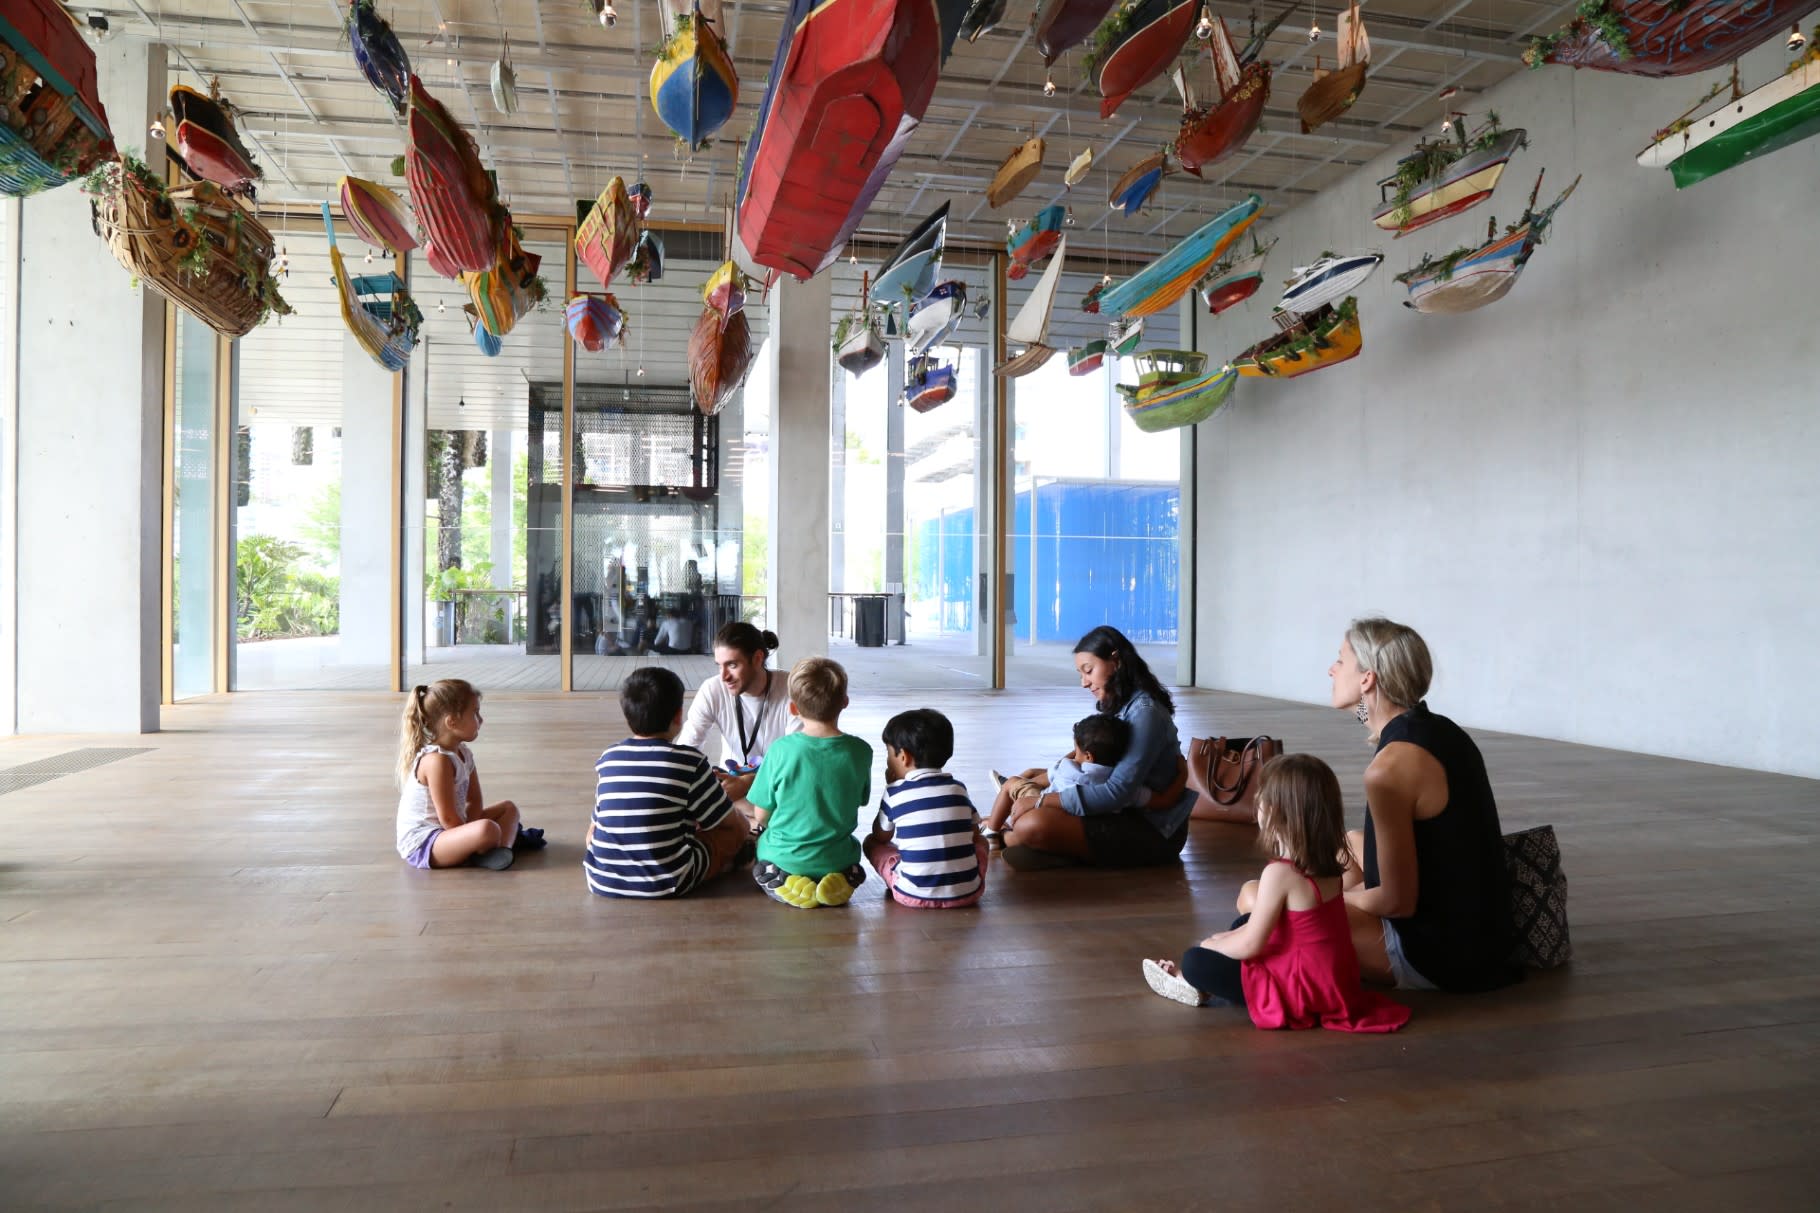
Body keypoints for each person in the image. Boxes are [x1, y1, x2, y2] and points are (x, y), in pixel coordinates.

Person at [1140, 754, 1411, 1033]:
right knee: (1245, 922)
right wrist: (1228, 938)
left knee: (1196, 961)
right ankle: (1206, 978)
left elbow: (1251, 945)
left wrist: (1209, 944)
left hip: (1299, 992)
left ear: (1274, 811)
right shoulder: (1328, 865)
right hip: (1329, 983)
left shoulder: (1280, 874)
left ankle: (1190, 980)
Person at [1330, 617, 1523, 992]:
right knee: (1347, 844)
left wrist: (1328, 899)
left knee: (1261, 900)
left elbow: (1396, 902)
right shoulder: (1437, 728)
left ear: (1367, 678)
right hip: (1485, 938)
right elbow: (1372, 716)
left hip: (1440, 958)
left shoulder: (1389, 769)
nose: (1331, 669)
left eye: (1340, 660)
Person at [996, 625, 1195, 870]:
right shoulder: (1121, 703)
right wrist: (1035, 785)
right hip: (1118, 812)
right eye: (1081, 674)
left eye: (1088, 670)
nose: (1084, 682)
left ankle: (1032, 842)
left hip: (1152, 829)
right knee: (1033, 795)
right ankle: (1054, 848)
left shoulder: (1145, 714)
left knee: (1031, 824)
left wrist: (1041, 801)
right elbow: (1086, 765)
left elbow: (1116, 792)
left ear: (1116, 661)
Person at [584, 667, 752, 898]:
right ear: (678, 716)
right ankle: (729, 863)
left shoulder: (609, 757)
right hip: (668, 881)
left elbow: (594, 828)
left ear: (627, 715)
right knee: (736, 829)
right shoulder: (689, 761)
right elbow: (730, 823)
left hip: (601, 879)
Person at [747, 657, 871, 908]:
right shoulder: (861, 751)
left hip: (784, 857)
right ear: (845, 702)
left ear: (793, 708)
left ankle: (786, 881)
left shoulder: (780, 750)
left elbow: (761, 815)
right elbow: (861, 800)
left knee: (759, 848)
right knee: (847, 855)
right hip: (838, 857)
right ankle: (840, 879)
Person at [676, 622, 800, 820]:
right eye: (719, 666)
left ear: (757, 659)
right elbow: (685, 752)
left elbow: (798, 762)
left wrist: (747, 782)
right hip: (731, 785)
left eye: (732, 665)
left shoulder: (791, 689)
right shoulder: (712, 689)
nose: (724, 676)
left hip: (779, 787)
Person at [864, 709, 987, 908]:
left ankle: (902, 879)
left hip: (911, 895)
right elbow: (974, 834)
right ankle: (962, 878)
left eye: (888, 753)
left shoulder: (895, 792)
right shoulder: (958, 789)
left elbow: (881, 836)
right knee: (982, 842)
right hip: (969, 893)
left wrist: (890, 787)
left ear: (904, 757)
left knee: (871, 843)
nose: (887, 761)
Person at [394, 679, 520, 871]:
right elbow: (448, 818)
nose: (481, 720)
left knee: (508, 809)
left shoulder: (464, 753)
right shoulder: (436, 761)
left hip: (451, 829)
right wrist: (472, 834)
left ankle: (501, 851)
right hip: (426, 842)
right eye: (475, 713)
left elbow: (474, 801)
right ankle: (484, 848)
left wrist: (471, 830)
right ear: (452, 721)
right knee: (488, 829)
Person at [981, 714, 1131, 849]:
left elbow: (1053, 771)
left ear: (1088, 756)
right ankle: (1006, 827)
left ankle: (991, 832)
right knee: (1032, 776)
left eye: (1076, 750)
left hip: (1043, 807)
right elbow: (1137, 797)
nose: (1074, 755)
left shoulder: (1069, 767)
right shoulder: (1117, 779)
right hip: (1077, 824)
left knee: (1012, 783)